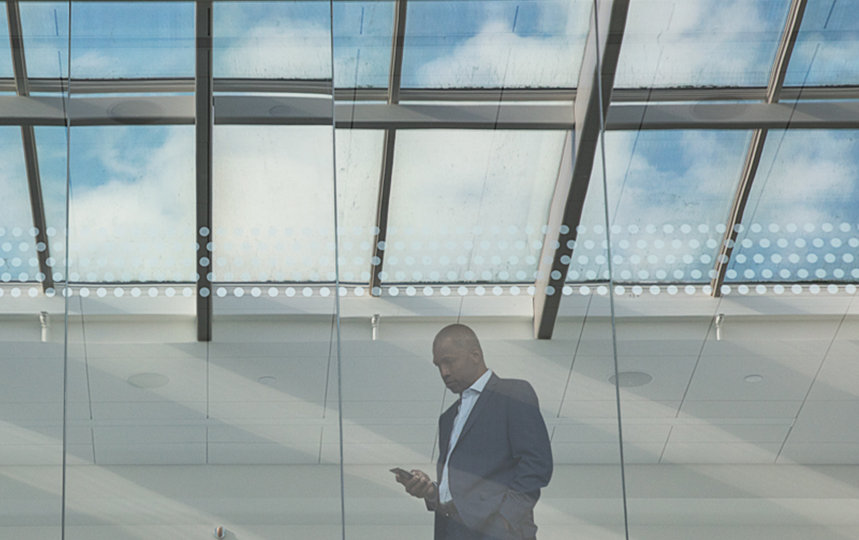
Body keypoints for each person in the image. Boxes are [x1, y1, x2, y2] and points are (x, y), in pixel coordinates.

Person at [394, 324, 553, 540]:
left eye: (449, 361)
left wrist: (505, 520)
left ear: (475, 355)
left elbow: (536, 464)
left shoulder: (513, 393)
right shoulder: (447, 418)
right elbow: (459, 488)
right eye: (438, 365)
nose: (444, 372)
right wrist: (430, 491)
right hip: (452, 530)